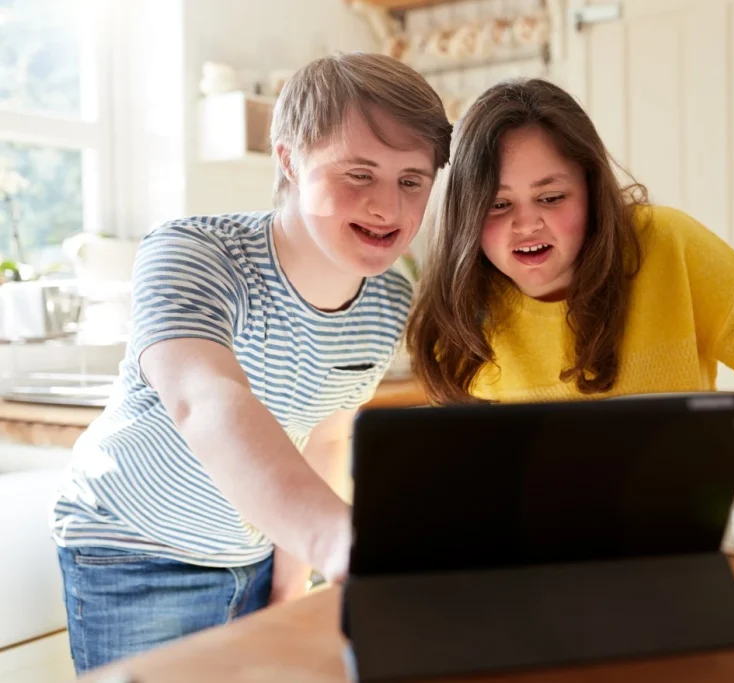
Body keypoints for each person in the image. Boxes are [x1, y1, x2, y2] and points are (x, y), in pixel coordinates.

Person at [49, 52, 451, 674]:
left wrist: (292, 583)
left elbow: (325, 437)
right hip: (135, 548)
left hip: (261, 550)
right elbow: (207, 401)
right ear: (289, 159)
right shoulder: (194, 253)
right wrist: (337, 539)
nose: (388, 208)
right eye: (359, 173)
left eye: (411, 181)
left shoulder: (389, 300)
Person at [407, 78, 734, 462]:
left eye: (552, 198)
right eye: (499, 205)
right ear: (466, 215)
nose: (527, 225)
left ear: (592, 190)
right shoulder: (459, 305)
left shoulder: (670, 243)